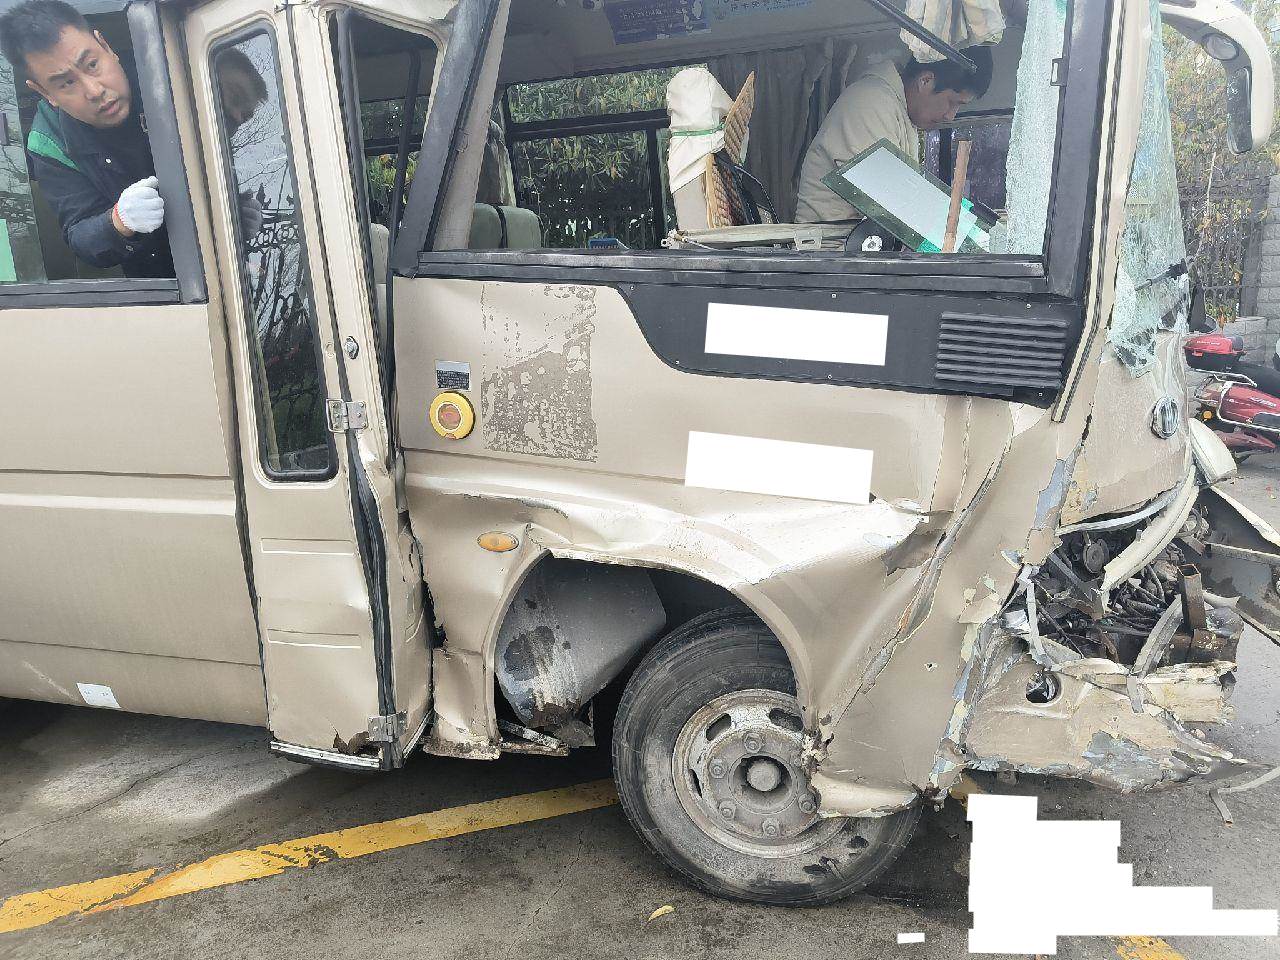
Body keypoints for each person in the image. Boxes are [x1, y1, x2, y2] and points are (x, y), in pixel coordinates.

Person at [0, 0, 267, 278]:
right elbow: (80, 234)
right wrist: (118, 222)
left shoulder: (169, 69)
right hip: (159, 281)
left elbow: (224, 156)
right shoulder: (49, 141)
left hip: (221, 265)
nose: (94, 90)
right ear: (46, 94)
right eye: (66, 83)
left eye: (92, 64)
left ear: (105, 46)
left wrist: (236, 217)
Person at [794, 48, 993, 224]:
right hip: (829, 247)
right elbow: (889, 201)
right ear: (925, 81)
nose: (950, 116)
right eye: (952, 102)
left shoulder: (900, 111)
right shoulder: (871, 101)